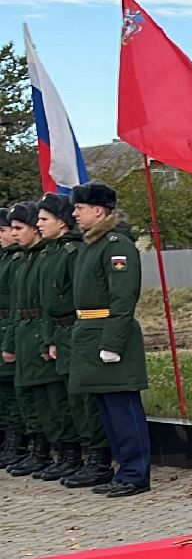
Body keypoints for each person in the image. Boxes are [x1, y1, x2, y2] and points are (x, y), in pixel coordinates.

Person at [66, 181, 147, 494]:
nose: (74, 213)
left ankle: (135, 474)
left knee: (123, 409)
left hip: (108, 336)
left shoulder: (116, 245)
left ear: (98, 211)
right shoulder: (93, 244)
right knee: (109, 411)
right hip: (90, 334)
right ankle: (124, 470)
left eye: (79, 208)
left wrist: (112, 343)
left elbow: (123, 298)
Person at [17, 193, 88, 482]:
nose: (39, 224)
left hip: (70, 330)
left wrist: (51, 338)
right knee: (45, 399)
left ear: (61, 222)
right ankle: (59, 451)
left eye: (44, 219)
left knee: (68, 401)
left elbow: (67, 298)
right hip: (46, 333)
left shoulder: (70, 252)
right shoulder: (44, 255)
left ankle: (76, 455)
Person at [4, 203, 49, 476]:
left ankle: (46, 451)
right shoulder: (22, 259)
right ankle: (28, 448)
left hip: (38, 331)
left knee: (44, 398)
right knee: (24, 395)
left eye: (16, 228)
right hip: (21, 330)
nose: (10, 233)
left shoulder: (39, 257)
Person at [0, 218, 22, 469]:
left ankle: (17, 442)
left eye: (3, 230)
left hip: (11, 325)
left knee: (12, 389)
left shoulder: (16, 260)